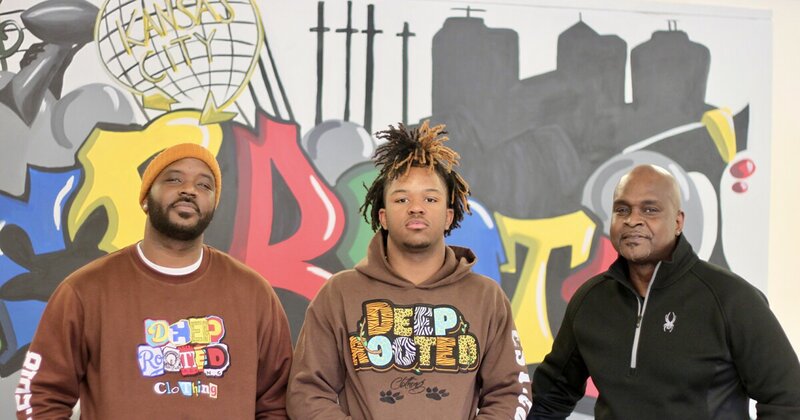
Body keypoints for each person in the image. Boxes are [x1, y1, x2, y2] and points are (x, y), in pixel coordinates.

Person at [14, 143, 293, 419]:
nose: (189, 189)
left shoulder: (253, 294)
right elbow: (40, 396)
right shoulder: (86, 290)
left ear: (213, 207)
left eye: (204, 185)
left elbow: (276, 403)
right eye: (174, 179)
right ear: (146, 198)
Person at [287, 121, 532, 419]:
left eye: (430, 199)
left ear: (448, 216)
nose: (416, 207)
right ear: (383, 216)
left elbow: (511, 393)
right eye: (402, 199)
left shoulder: (486, 297)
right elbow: (306, 393)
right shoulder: (339, 293)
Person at [530, 164, 800, 419]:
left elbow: (788, 400)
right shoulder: (590, 301)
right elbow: (548, 398)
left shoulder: (732, 299)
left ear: (678, 222)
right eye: (622, 210)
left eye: (650, 210)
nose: (632, 220)